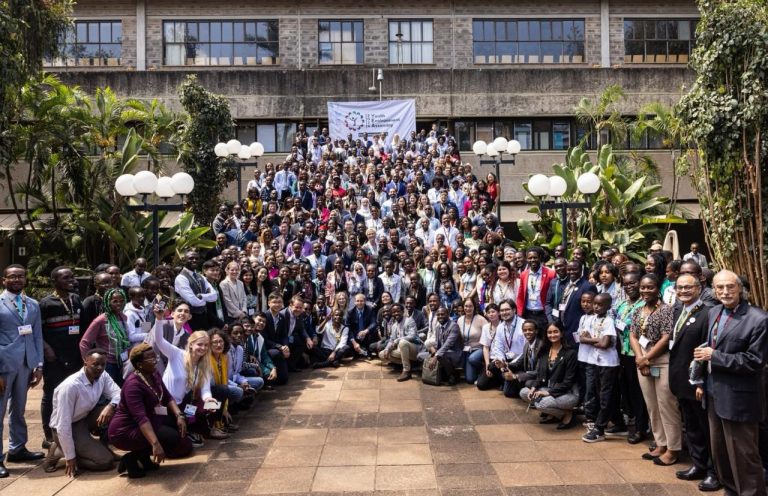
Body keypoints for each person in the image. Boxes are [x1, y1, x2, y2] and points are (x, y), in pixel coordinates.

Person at [693, 270, 768, 496]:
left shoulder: (758, 319)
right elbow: (709, 346)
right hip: (713, 393)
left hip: (740, 398)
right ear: (714, 290)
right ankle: (731, 491)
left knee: (744, 455)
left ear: (740, 289)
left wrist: (714, 356)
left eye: (730, 287)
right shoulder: (714, 312)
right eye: (720, 287)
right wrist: (700, 380)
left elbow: (754, 361)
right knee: (721, 452)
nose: (725, 292)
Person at [667, 274, 720, 491]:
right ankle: (698, 465)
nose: (683, 291)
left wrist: (700, 382)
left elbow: (705, 348)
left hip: (697, 382)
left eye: (688, 287)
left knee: (706, 428)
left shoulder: (708, 313)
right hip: (680, 379)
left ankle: (713, 472)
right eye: (680, 288)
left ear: (699, 288)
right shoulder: (678, 310)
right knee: (691, 426)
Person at [108, 343, 192, 478]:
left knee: (184, 440)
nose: (156, 361)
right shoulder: (133, 386)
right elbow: (140, 418)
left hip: (151, 420)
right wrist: (156, 444)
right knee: (171, 438)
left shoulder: (154, 373)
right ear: (139, 364)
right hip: (126, 430)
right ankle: (131, 458)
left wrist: (179, 415)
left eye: (155, 357)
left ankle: (144, 458)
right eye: (151, 359)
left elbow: (167, 397)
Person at [151, 305, 228, 446]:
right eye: (200, 344)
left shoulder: (205, 364)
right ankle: (187, 430)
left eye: (206, 345)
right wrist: (159, 319)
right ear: (191, 344)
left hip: (185, 403)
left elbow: (205, 390)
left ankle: (202, 428)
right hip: (167, 404)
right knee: (177, 441)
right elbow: (159, 340)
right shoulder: (176, 354)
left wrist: (208, 399)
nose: (203, 348)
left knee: (219, 394)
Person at [629, 274, 681, 466]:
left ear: (658, 289)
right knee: (652, 405)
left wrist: (647, 358)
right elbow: (633, 336)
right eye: (643, 287)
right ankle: (660, 443)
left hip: (661, 361)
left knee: (666, 405)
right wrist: (639, 358)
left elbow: (666, 337)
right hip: (642, 361)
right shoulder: (638, 310)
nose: (645, 291)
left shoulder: (666, 310)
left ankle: (673, 448)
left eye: (650, 287)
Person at [43, 348, 120, 476]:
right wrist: (70, 457)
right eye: (95, 364)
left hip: (84, 417)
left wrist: (111, 406)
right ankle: (59, 450)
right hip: (68, 426)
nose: (100, 368)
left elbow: (119, 394)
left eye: (103, 364)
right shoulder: (70, 386)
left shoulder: (102, 375)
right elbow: (63, 425)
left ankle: (101, 447)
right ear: (85, 363)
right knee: (105, 462)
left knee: (118, 411)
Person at [0, 265, 44, 477]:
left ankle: (17, 449)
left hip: (26, 364)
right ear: (4, 280)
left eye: (21, 276)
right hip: (4, 365)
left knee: (18, 409)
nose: (17, 279)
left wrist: (39, 365)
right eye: (12, 276)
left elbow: (37, 335)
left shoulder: (32, 304)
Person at [40, 266, 84, 448]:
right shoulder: (45, 304)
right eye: (66, 278)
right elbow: (38, 331)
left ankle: (69, 432)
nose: (71, 280)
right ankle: (49, 436)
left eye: (72, 277)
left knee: (72, 393)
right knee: (51, 394)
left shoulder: (75, 299)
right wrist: (47, 349)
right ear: (54, 281)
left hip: (74, 356)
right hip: (54, 358)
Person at [519, 322, 580, 430]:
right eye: (549, 332)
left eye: (555, 332)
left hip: (567, 392)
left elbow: (568, 383)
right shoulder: (544, 351)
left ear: (562, 333)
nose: (552, 335)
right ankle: (554, 414)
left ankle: (568, 413)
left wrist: (547, 393)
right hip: (548, 387)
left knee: (541, 404)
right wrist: (534, 388)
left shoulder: (570, 353)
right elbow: (539, 375)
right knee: (524, 392)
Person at [579, 293, 621, 443]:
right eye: (595, 304)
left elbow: (605, 344)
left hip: (608, 363)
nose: (596, 307)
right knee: (602, 394)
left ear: (608, 306)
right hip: (595, 361)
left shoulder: (608, 321)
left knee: (605, 396)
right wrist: (597, 340)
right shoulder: (592, 319)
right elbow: (582, 338)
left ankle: (599, 429)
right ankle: (619, 423)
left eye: (600, 304)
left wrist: (590, 340)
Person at [615, 273, 649, 445]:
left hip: (638, 354)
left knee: (638, 393)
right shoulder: (622, 304)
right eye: (626, 284)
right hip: (622, 353)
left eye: (633, 283)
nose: (629, 286)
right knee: (627, 390)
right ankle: (632, 421)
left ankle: (641, 428)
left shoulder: (645, 306)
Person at [79, 288, 130, 385]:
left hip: (122, 362)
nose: (119, 304)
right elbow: (84, 343)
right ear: (108, 302)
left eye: (121, 301)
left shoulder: (124, 317)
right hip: (107, 364)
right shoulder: (100, 320)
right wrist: (88, 363)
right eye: (115, 301)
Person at [174, 251, 219, 331]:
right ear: (184, 260)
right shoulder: (181, 278)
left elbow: (215, 296)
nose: (194, 260)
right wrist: (206, 299)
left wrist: (201, 296)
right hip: (190, 319)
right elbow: (193, 302)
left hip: (203, 317)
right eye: (191, 258)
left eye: (196, 258)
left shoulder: (200, 276)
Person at [516, 247, 556, 337]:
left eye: (535, 257)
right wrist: (519, 314)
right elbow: (521, 295)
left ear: (540, 258)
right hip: (528, 314)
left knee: (544, 339)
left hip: (543, 314)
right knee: (530, 338)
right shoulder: (524, 274)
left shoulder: (550, 274)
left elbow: (554, 295)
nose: (532, 260)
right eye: (530, 258)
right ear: (526, 259)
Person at [379, 303, 420, 381]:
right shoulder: (394, 325)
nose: (396, 313)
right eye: (394, 312)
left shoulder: (409, 320)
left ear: (402, 312)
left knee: (402, 342)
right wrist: (387, 349)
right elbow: (391, 339)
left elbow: (413, 336)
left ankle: (406, 371)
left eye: (398, 311)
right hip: (402, 350)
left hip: (415, 349)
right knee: (382, 354)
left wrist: (397, 340)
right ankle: (412, 364)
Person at [424, 307, 462, 385]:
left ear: (447, 315)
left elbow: (448, 344)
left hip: (454, 353)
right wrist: (432, 348)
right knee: (420, 355)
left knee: (440, 356)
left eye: (442, 314)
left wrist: (436, 356)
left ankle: (453, 375)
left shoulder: (454, 326)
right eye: (438, 315)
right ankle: (440, 373)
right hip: (443, 352)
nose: (440, 316)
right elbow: (437, 344)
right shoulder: (438, 327)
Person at [504, 320, 541, 398]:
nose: (527, 332)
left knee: (528, 383)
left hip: (538, 377)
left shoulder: (542, 346)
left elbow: (539, 371)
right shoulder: (527, 345)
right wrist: (505, 365)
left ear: (536, 331)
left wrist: (516, 376)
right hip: (528, 373)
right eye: (525, 330)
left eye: (530, 330)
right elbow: (518, 363)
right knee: (508, 392)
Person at [457, 298, 489, 384]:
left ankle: (484, 368)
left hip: (479, 349)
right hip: (466, 350)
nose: (468, 308)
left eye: (470, 306)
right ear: (463, 307)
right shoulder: (460, 320)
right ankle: (477, 373)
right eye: (466, 306)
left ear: (474, 307)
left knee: (472, 358)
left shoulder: (481, 319)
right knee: (470, 379)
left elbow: (488, 334)